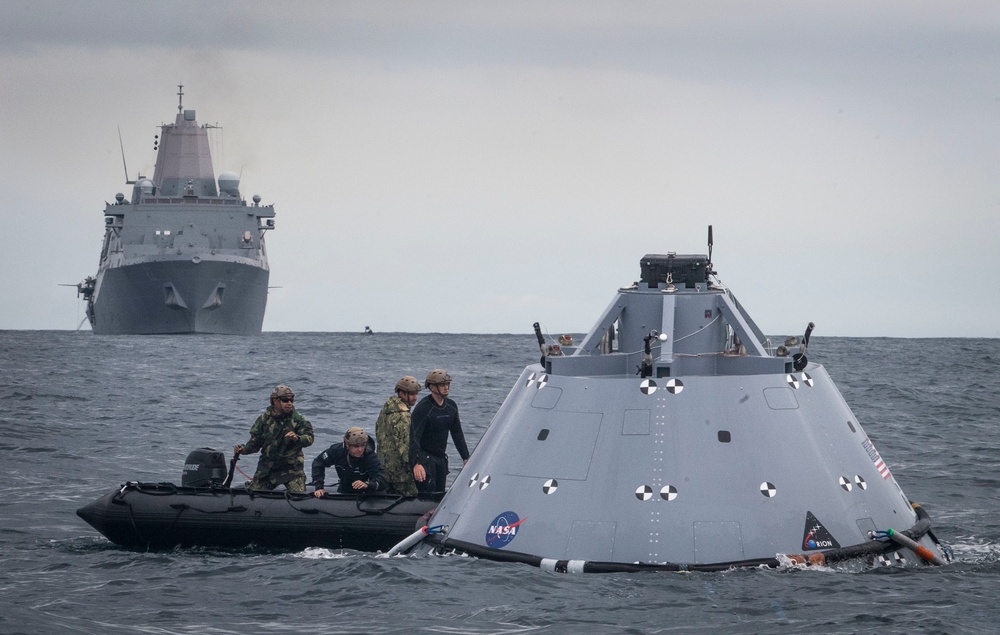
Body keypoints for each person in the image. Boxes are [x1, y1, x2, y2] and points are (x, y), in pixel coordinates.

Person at [234, 384, 315, 492]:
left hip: (291, 470)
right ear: (275, 401)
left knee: (298, 498)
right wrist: (243, 449)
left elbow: (309, 438)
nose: (289, 403)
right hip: (267, 469)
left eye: (291, 400)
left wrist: (297, 438)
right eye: (285, 400)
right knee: (254, 495)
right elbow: (255, 443)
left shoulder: (298, 419)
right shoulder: (264, 420)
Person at [409, 369, 471, 493]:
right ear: (432, 387)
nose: (446, 387)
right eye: (442, 385)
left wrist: (465, 457)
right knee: (428, 494)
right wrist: (416, 463)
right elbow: (414, 438)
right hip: (425, 458)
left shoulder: (451, 406)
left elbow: (457, 434)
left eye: (447, 384)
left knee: (440, 494)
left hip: (441, 458)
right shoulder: (423, 408)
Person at [374, 376, 421, 495]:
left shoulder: (386, 410)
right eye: (411, 394)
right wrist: (414, 465)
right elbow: (405, 447)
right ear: (401, 393)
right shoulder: (403, 417)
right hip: (400, 474)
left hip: (384, 468)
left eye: (416, 393)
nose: (415, 397)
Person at [312, 427, 387, 496]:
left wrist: (368, 484)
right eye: (356, 446)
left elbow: (382, 479)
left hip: (368, 492)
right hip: (345, 489)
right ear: (347, 445)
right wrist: (319, 486)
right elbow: (318, 462)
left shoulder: (370, 456)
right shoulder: (336, 451)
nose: (360, 450)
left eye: (362, 445)